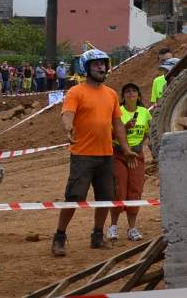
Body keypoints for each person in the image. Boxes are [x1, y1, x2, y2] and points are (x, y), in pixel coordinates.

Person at [51, 49, 136, 257]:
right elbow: (67, 113)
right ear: (86, 68)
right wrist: (68, 127)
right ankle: (59, 237)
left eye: (103, 64)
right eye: (96, 64)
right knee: (74, 196)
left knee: (106, 197)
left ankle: (98, 236)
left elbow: (117, 123)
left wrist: (125, 149)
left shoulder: (111, 94)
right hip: (82, 154)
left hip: (106, 155)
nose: (101, 67)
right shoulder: (76, 92)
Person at [108, 83, 151, 243]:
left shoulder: (144, 112)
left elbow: (147, 131)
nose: (131, 93)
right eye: (127, 91)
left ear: (139, 95)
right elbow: (110, 134)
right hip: (119, 154)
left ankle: (132, 228)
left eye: (134, 91)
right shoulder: (118, 112)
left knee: (135, 190)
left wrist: (139, 146)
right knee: (119, 189)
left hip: (136, 155)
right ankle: (113, 226)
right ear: (123, 96)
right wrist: (124, 128)